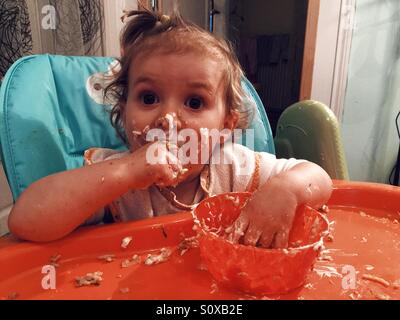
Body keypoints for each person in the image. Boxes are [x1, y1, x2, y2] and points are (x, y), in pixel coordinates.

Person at [8, 9, 332, 247]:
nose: (168, 118)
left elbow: (319, 178)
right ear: (123, 111)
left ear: (225, 125)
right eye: (149, 97)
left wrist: (283, 191)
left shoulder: (236, 168)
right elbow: (25, 221)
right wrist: (125, 173)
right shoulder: (114, 181)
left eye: (194, 102)